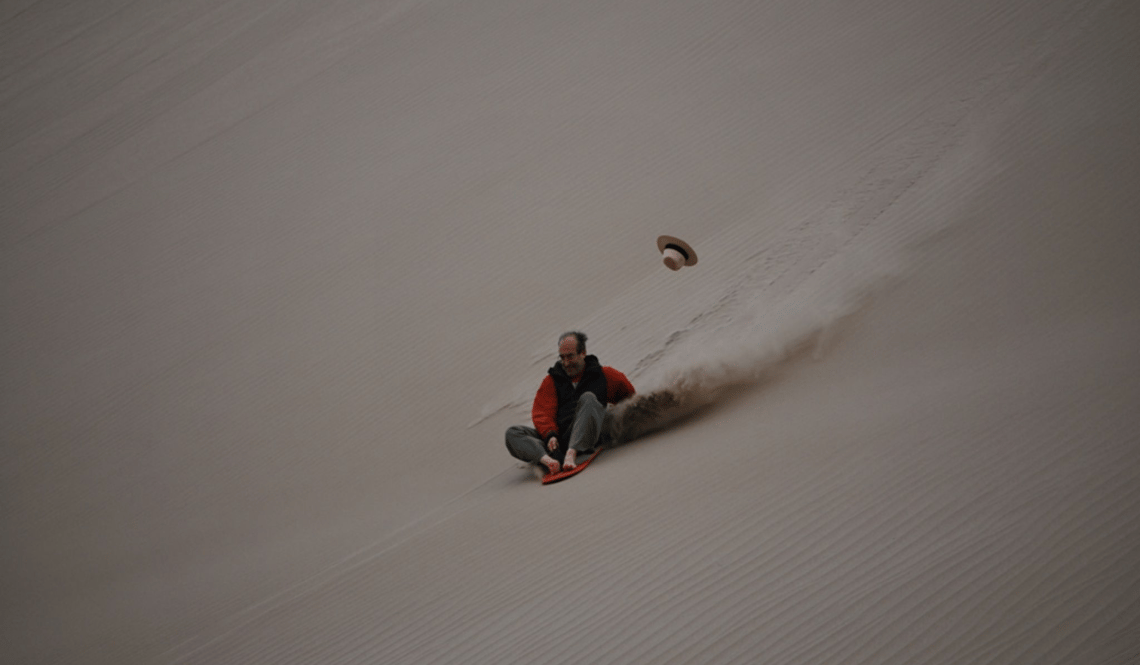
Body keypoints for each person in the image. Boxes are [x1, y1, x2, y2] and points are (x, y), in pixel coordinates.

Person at [505, 331, 636, 475]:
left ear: (583, 353)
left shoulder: (605, 375)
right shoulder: (551, 381)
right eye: (562, 358)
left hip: (589, 435)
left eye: (570, 356)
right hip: (559, 442)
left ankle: (572, 453)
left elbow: (631, 400)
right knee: (513, 432)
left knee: (589, 399)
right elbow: (542, 413)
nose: (566, 363)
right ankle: (547, 461)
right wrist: (550, 435)